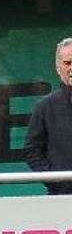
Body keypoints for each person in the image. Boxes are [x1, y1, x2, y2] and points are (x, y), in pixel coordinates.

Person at [25, 37, 72, 195]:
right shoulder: (45, 107)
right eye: (67, 63)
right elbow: (32, 150)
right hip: (61, 197)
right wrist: (54, 180)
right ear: (58, 68)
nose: (71, 68)